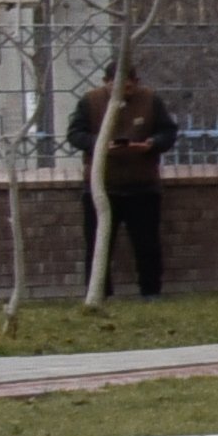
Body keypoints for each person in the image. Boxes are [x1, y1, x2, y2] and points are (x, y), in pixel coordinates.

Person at [60, 58, 173, 297]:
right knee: (98, 245)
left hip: (142, 186)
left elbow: (168, 132)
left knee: (147, 245)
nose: (122, 93)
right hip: (102, 186)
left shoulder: (151, 100)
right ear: (105, 83)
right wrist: (98, 144)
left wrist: (151, 144)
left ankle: (150, 292)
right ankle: (100, 293)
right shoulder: (90, 101)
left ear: (135, 83)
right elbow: (74, 134)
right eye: (115, 88)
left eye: (128, 88)